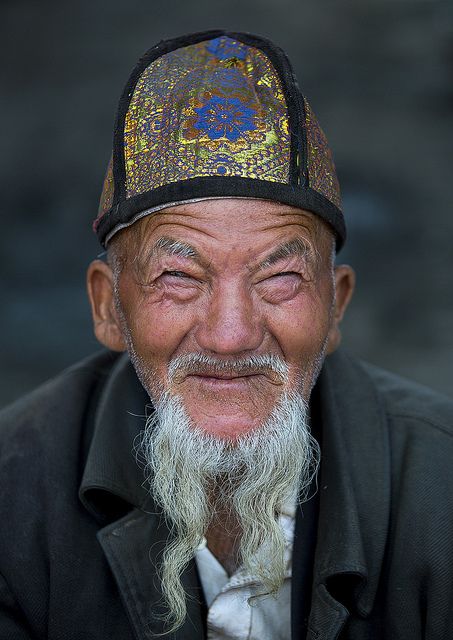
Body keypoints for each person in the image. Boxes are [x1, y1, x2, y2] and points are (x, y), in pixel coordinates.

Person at [1, 29, 452, 640]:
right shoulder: (12, 496)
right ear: (109, 307)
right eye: (180, 277)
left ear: (337, 307)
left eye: (281, 278)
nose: (231, 335)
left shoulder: (442, 488)